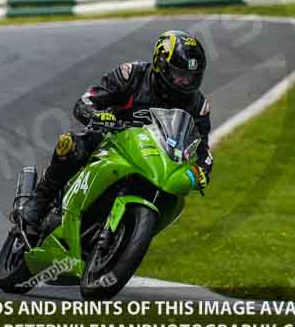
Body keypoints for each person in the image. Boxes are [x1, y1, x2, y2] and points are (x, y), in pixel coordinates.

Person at [21, 30, 213, 230]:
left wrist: (202, 170)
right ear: (161, 65)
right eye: (179, 75)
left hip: (156, 160)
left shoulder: (198, 105)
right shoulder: (132, 75)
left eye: (191, 77)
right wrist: (97, 115)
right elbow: (87, 101)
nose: (185, 82)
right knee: (72, 145)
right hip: (112, 139)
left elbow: (203, 148)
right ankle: (39, 200)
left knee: (173, 195)